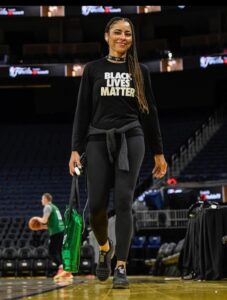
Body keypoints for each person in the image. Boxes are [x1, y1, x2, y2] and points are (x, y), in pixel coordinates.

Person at [69, 16, 167, 288]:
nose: (123, 37)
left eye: (128, 33)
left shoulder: (140, 71)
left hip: (131, 137)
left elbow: (150, 114)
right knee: (97, 209)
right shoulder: (92, 69)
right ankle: (104, 248)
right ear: (106, 36)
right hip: (97, 140)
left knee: (124, 202)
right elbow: (82, 112)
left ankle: (121, 266)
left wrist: (158, 152)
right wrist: (75, 149)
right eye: (117, 32)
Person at [33, 193, 73, 280]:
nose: (41, 201)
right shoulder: (54, 207)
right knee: (59, 251)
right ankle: (67, 272)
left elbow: (44, 220)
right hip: (61, 230)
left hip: (57, 232)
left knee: (52, 251)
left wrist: (36, 218)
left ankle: (61, 268)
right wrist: (41, 227)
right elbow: (50, 224)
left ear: (46, 199)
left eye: (42, 199)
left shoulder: (47, 207)